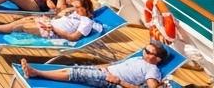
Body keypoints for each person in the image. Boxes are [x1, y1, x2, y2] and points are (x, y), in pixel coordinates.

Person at [20, 40, 172, 87]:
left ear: (157, 59)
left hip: (111, 81)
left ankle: (36, 72)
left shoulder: (152, 69)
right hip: (105, 71)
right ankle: (36, 72)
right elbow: (118, 65)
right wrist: (99, 66)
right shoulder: (139, 59)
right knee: (71, 69)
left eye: (149, 51)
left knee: (74, 74)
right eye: (145, 49)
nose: (144, 51)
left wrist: (118, 81)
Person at [0, 0, 99, 42]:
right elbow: (62, 13)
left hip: (53, 32)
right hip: (50, 23)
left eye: (78, 8)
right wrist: (68, 10)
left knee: (22, 26)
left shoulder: (86, 22)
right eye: (75, 7)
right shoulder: (77, 13)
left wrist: (54, 28)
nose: (76, 10)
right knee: (23, 20)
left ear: (86, 8)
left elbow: (73, 37)